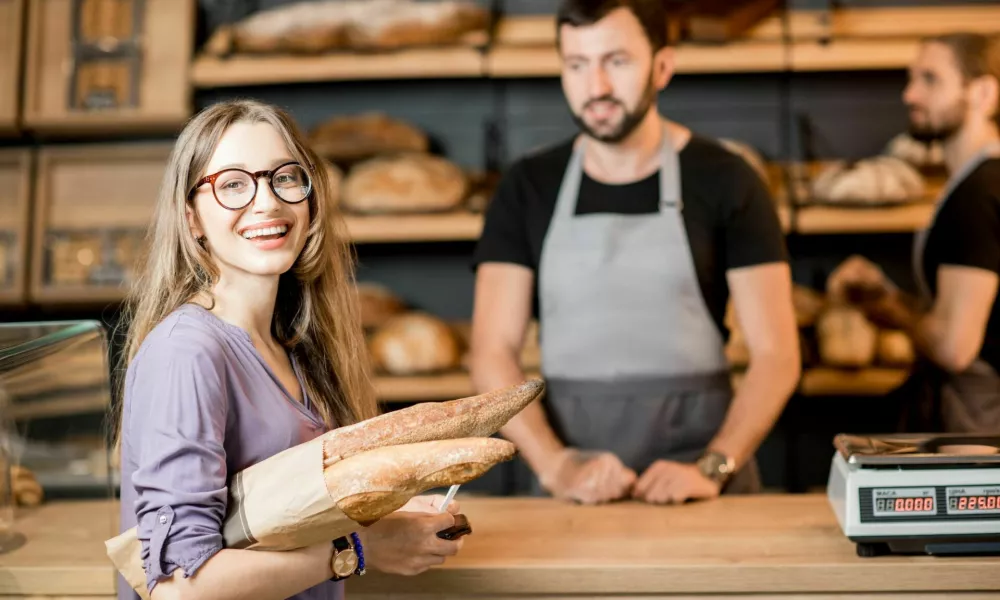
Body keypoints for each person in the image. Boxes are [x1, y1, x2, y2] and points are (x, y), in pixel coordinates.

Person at [111, 100, 465, 600]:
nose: (268, 203)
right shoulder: (186, 353)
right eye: (233, 184)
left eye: (284, 178)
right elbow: (177, 588)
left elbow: (275, 517)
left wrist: (387, 518)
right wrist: (358, 549)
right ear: (191, 216)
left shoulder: (293, 345)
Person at [468, 0, 801, 506]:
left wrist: (714, 466)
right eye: (577, 65)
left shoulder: (728, 178)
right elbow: (491, 352)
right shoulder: (528, 186)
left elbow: (777, 356)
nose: (596, 87)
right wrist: (556, 465)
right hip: (574, 485)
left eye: (616, 62)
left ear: (662, 67)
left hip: (706, 485)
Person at [828, 33, 1000, 434]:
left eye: (930, 79)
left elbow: (955, 347)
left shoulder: (977, 193)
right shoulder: (977, 183)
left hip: (984, 420)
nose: (910, 95)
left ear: (983, 93)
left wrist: (889, 306)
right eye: (911, 79)